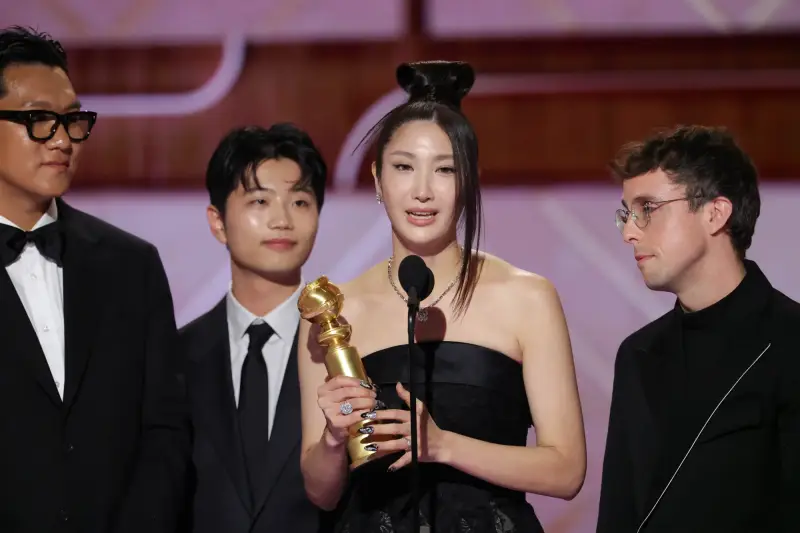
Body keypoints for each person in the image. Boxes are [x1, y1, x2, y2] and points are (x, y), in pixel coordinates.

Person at [297, 60, 587, 533]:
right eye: (404, 167)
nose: (423, 191)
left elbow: (566, 470)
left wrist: (443, 445)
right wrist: (334, 438)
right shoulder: (332, 310)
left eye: (445, 170)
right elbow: (321, 493)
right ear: (376, 179)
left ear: (470, 180)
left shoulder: (526, 297)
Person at [0, 26, 189, 533]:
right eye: (39, 120)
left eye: (73, 120)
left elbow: (165, 433)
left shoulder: (132, 265)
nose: (63, 140)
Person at [597, 125, 800, 533]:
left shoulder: (790, 341)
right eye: (626, 214)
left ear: (715, 213)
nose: (629, 232)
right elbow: (619, 513)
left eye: (647, 209)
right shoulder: (638, 353)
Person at [179, 124, 333, 533]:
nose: (282, 220)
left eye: (300, 202)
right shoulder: (174, 356)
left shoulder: (346, 347)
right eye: (260, 201)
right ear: (218, 222)